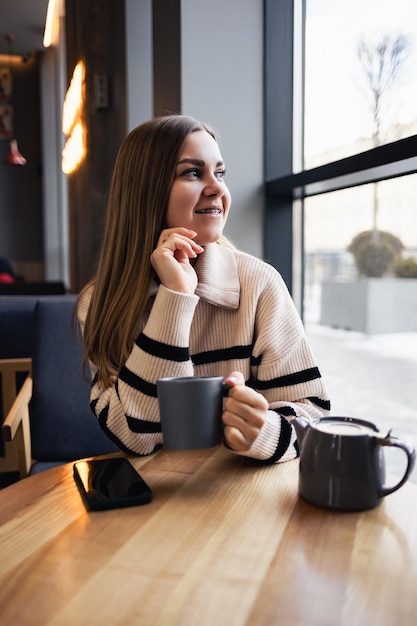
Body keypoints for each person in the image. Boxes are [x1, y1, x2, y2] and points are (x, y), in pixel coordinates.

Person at [77, 115, 330, 463]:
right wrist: (175, 297)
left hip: (244, 496)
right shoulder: (100, 301)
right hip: (155, 502)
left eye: (220, 173)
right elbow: (135, 436)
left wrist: (264, 430)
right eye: (193, 173)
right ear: (145, 191)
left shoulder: (259, 283)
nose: (217, 188)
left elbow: (313, 414)